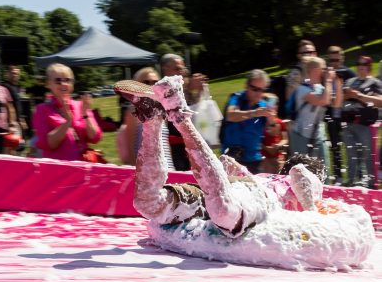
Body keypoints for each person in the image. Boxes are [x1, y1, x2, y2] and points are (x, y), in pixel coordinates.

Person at [114, 75, 369, 240]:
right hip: (251, 200)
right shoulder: (295, 180)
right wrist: (313, 214)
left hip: (227, 193)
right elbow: (299, 173)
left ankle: (153, 119)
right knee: (224, 212)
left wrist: (230, 171)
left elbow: (226, 164)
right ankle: (177, 111)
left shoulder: (264, 178)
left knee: (148, 203)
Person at [32, 63, 102, 161]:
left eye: (67, 80)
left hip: (83, 168)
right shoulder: (42, 110)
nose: (63, 84)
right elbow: (48, 144)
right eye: (58, 81)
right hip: (59, 171)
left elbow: (95, 138)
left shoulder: (81, 106)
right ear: (48, 84)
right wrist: (67, 123)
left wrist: (85, 115)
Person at [289, 57, 338, 176]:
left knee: (324, 171)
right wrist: (328, 81)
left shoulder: (321, 88)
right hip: (301, 136)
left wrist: (338, 83)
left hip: (318, 136)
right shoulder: (301, 89)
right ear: (315, 70)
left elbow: (336, 103)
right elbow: (323, 101)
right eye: (323, 69)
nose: (325, 72)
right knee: (302, 173)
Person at [160, 53, 209, 171]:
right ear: (165, 69)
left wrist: (200, 91)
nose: (181, 72)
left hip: (191, 141)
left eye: (183, 69)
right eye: (177, 69)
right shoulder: (161, 87)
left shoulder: (185, 86)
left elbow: (196, 111)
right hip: (173, 146)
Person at [221, 69, 274, 174]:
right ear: (246, 85)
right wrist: (254, 113)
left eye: (261, 90)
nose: (258, 93)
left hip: (253, 159)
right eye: (254, 89)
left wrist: (271, 120)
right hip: (232, 158)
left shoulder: (264, 105)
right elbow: (230, 115)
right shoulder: (237, 98)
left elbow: (270, 130)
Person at [118, 67, 174, 168]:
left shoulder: (162, 110)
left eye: (155, 82)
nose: (151, 85)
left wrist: (171, 168)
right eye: (146, 82)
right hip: (147, 172)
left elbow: (165, 143)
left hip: (168, 169)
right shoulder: (133, 111)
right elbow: (130, 147)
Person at [342, 56, 382, 188]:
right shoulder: (351, 81)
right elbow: (343, 96)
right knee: (350, 155)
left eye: (364, 64)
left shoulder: (375, 83)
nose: (360, 66)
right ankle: (351, 183)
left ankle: (371, 185)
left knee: (367, 155)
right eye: (358, 63)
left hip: (365, 125)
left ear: (369, 66)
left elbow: (379, 102)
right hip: (348, 124)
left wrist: (358, 96)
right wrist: (350, 94)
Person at [325, 46, 356, 185]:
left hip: (347, 116)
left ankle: (355, 175)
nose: (335, 62)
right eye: (332, 59)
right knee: (334, 146)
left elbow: (355, 92)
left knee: (351, 145)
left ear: (342, 58)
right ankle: (338, 175)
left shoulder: (349, 73)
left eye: (337, 59)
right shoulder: (326, 75)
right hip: (331, 115)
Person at [261, 94, 288, 174]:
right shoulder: (261, 123)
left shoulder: (280, 122)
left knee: (279, 176)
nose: (274, 107)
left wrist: (279, 145)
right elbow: (257, 140)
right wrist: (266, 148)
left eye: (276, 104)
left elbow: (285, 139)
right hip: (264, 158)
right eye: (271, 104)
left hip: (278, 157)